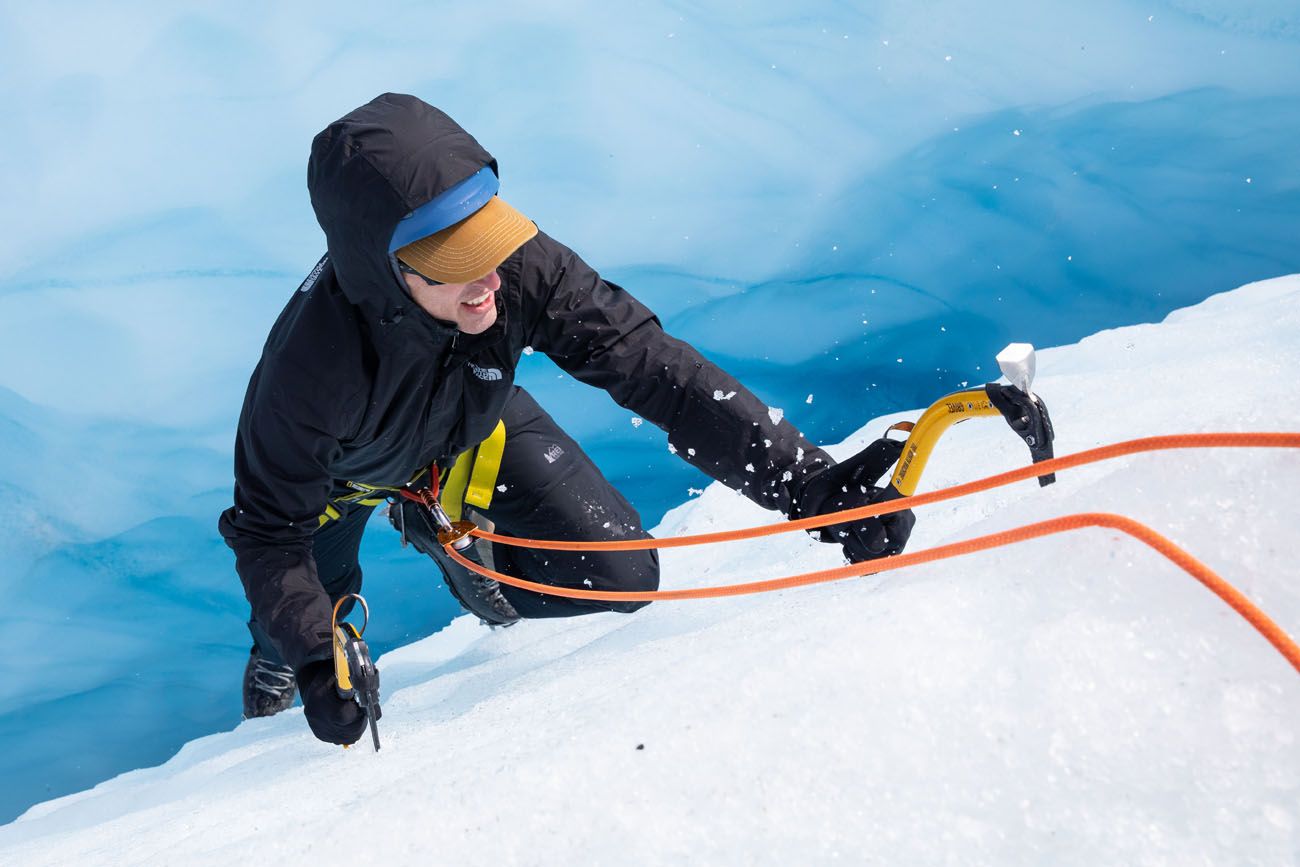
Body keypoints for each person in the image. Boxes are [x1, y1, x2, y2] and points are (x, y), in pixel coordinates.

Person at [219, 93, 915, 746]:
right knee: (317, 623)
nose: (492, 275)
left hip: (465, 421)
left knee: (625, 574)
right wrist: (312, 656)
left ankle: (454, 541)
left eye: (489, 239)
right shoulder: (307, 376)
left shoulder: (515, 268)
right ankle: (276, 662)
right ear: (387, 272)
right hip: (342, 485)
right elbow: (270, 536)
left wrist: (809, 485)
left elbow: (647, 364)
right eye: (459, 262)